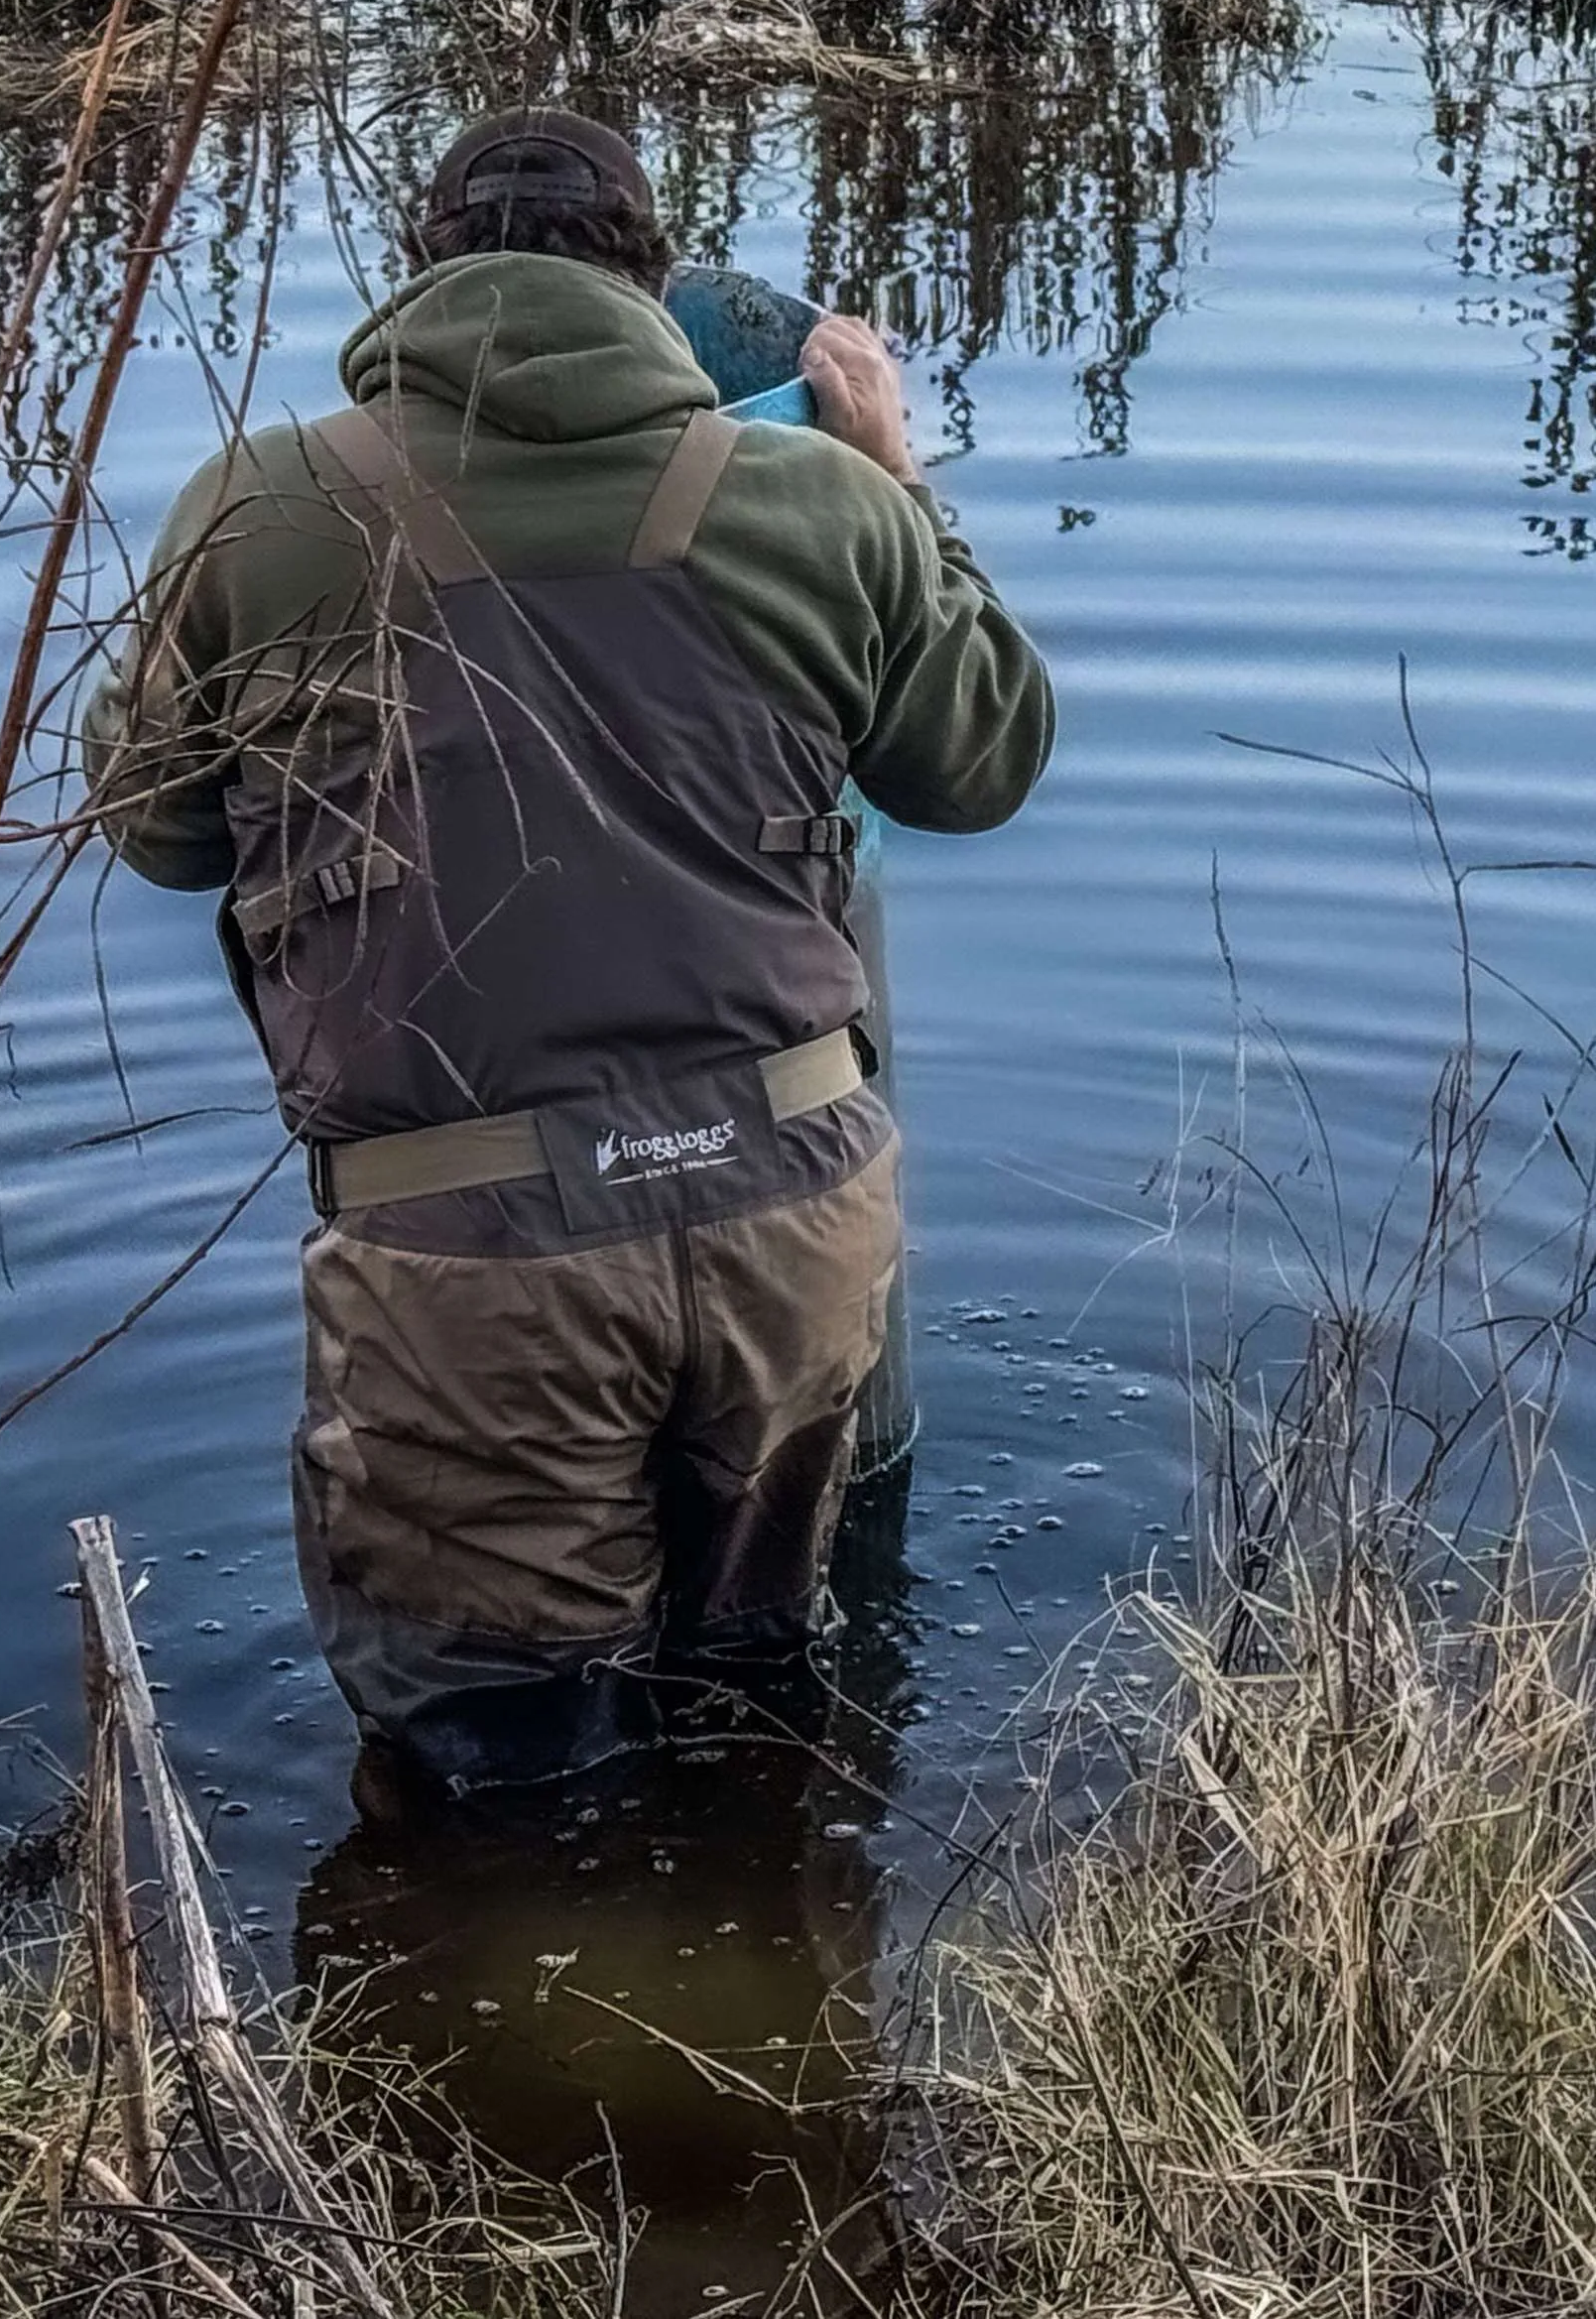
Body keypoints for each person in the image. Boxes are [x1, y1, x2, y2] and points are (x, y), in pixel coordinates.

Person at [82, 108, 1052, 1791]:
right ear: (653, 282)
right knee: (768, 1721)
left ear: (422, 265)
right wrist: (899, 476)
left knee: (504, 1781)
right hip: (791, 1223)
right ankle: (789, 2020)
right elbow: (981, 766)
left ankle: (510, 2041)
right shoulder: (823, 501)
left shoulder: (259, 507)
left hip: (474, 1258)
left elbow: (153, 833)